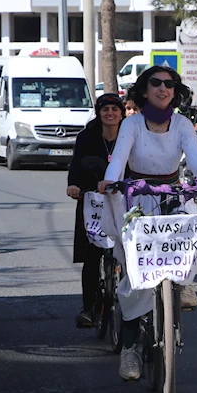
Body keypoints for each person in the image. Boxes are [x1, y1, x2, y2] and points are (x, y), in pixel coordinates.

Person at [97, 65, 197, 381]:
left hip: (172, 194)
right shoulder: (131, 124)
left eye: (169, 84)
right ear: (144, 90)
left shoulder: (183, 124)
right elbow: (118, 160)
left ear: (174, 91)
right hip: (137, 198)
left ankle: (182, 282)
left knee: (189, 231)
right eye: (155, 83)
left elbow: (196, 159)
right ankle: (130, 350)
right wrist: (109, 181)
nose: (163, 88)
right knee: (136, 276)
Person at [67, 93, 125, 327]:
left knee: (129, 251)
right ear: (99, 113)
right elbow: (76, 163)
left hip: (123, 198)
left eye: (114, 109)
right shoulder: (87, 136)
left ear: (122, 113)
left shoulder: (129, 135)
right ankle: (88, 308)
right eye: (105, 109)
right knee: (92, 257)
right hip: (92, 198)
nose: (110, 113)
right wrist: (73, 185)